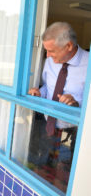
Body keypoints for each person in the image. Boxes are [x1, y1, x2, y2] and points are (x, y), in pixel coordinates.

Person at [28, 22, 88, 184]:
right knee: (42, 169)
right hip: (48, 128)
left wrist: (77, 103)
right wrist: (41, 92)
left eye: (51, 50)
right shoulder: (50, 62)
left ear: (68, 46)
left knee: (63, 176)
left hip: (72, 133)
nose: (47, 55)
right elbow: (48, 86)